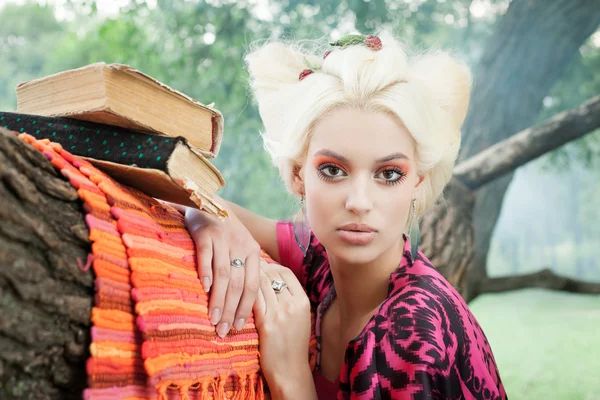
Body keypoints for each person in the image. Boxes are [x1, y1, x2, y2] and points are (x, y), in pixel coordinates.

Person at [183, 32, 507, 399]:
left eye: (388, 174)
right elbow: (190, 197)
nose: (359, 202)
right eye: (334, 170)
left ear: (417, 181)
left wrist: (292, 378)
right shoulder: (320, 261)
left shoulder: (415, 333)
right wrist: (211, 218)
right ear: (296, 174)